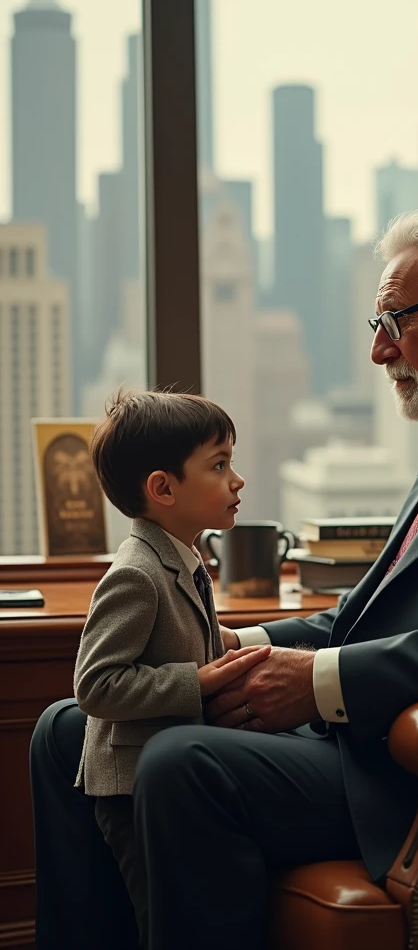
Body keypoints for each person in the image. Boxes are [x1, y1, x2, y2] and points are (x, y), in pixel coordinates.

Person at [31, 207, 418, 950]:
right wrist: (232, 644)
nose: (378, 352)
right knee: (68, 729)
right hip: (363, 734)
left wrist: (318, 684)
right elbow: (367, 617)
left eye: (394, 320)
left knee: (181, 761)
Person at [69, 389, 270, 945]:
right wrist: (198, 681)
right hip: (130, 788)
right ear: (163, 488)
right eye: (219, 465)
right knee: (160, 919)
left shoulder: (181, 556)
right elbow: (96, 684)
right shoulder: (136, 573)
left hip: (164, 777)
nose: (238, 480)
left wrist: (225, 643)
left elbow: (178, 635)